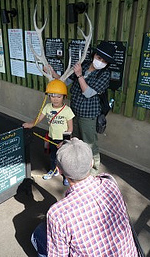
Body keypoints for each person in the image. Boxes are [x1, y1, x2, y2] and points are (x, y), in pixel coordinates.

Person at [31, 138, 139, 256]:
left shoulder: (57, 213)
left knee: (38, 234)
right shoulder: (109, 183)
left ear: (59, 170)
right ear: (91, 163)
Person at [49, 41, 116, 175]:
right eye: (99, 57)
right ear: (94, 55)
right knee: (75, 142)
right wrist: (51, 71)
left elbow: (88, 93)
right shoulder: (84, 65)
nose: (100, 61)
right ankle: (77, 169)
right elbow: (65, 80)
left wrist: (80, 75)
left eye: (104, 60)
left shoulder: (104, 74)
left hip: (88, 115)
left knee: (90, 144)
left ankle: (93, 173)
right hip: (73, 113)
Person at [23, 79, 74, 186]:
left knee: (64, 159)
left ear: (64, 97)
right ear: (48, 96)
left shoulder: (67, 110)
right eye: (52, 96)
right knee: (52, 156)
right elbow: (38, 119)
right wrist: (30, 124)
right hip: (52, 137)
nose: (55, 99)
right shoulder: (47, 107)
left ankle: (66, 176)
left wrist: (64, 142)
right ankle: (53, 170)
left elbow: (70, 128)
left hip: (63, 140)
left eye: (59, 96)